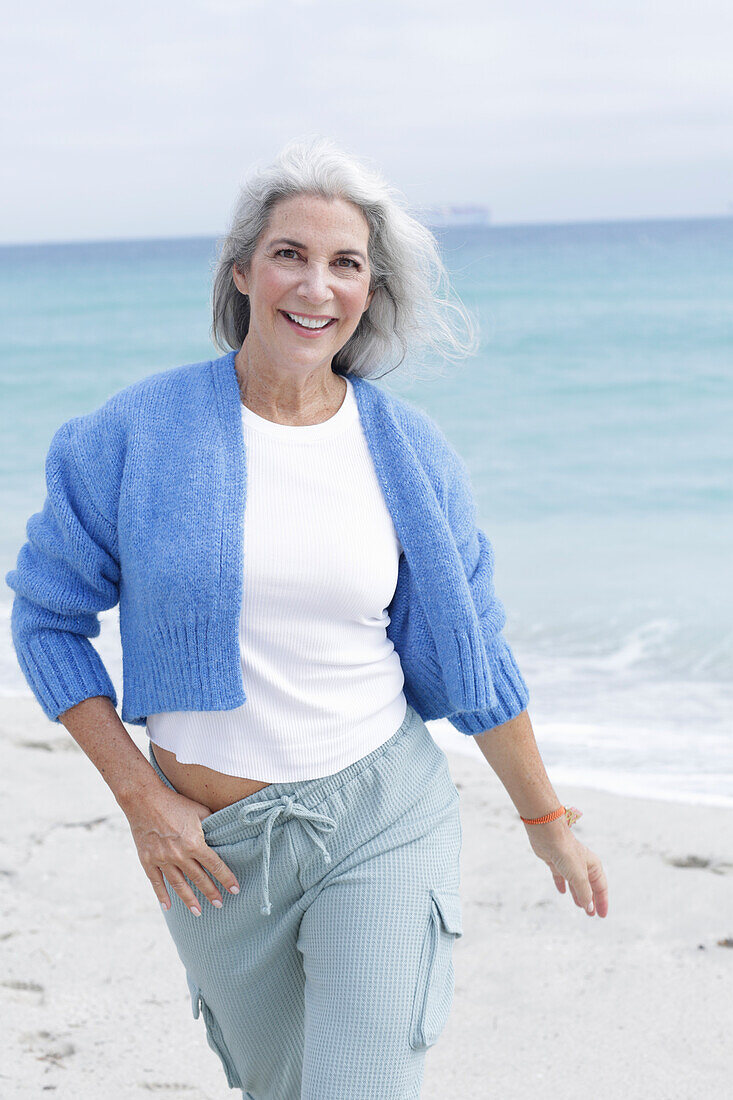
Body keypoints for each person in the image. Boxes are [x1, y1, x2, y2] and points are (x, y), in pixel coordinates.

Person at [5, 136, 608, 1099]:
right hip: (214, 848)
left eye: (346, 263)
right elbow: (45, 620)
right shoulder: (130, 435)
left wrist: (545, 819)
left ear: (371, 292)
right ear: (241, 270)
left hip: (381, 813)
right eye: (290, 253)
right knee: (278, 1085)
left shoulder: (410, 454)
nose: (315, 285)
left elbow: (475, 657)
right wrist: (141, 802)